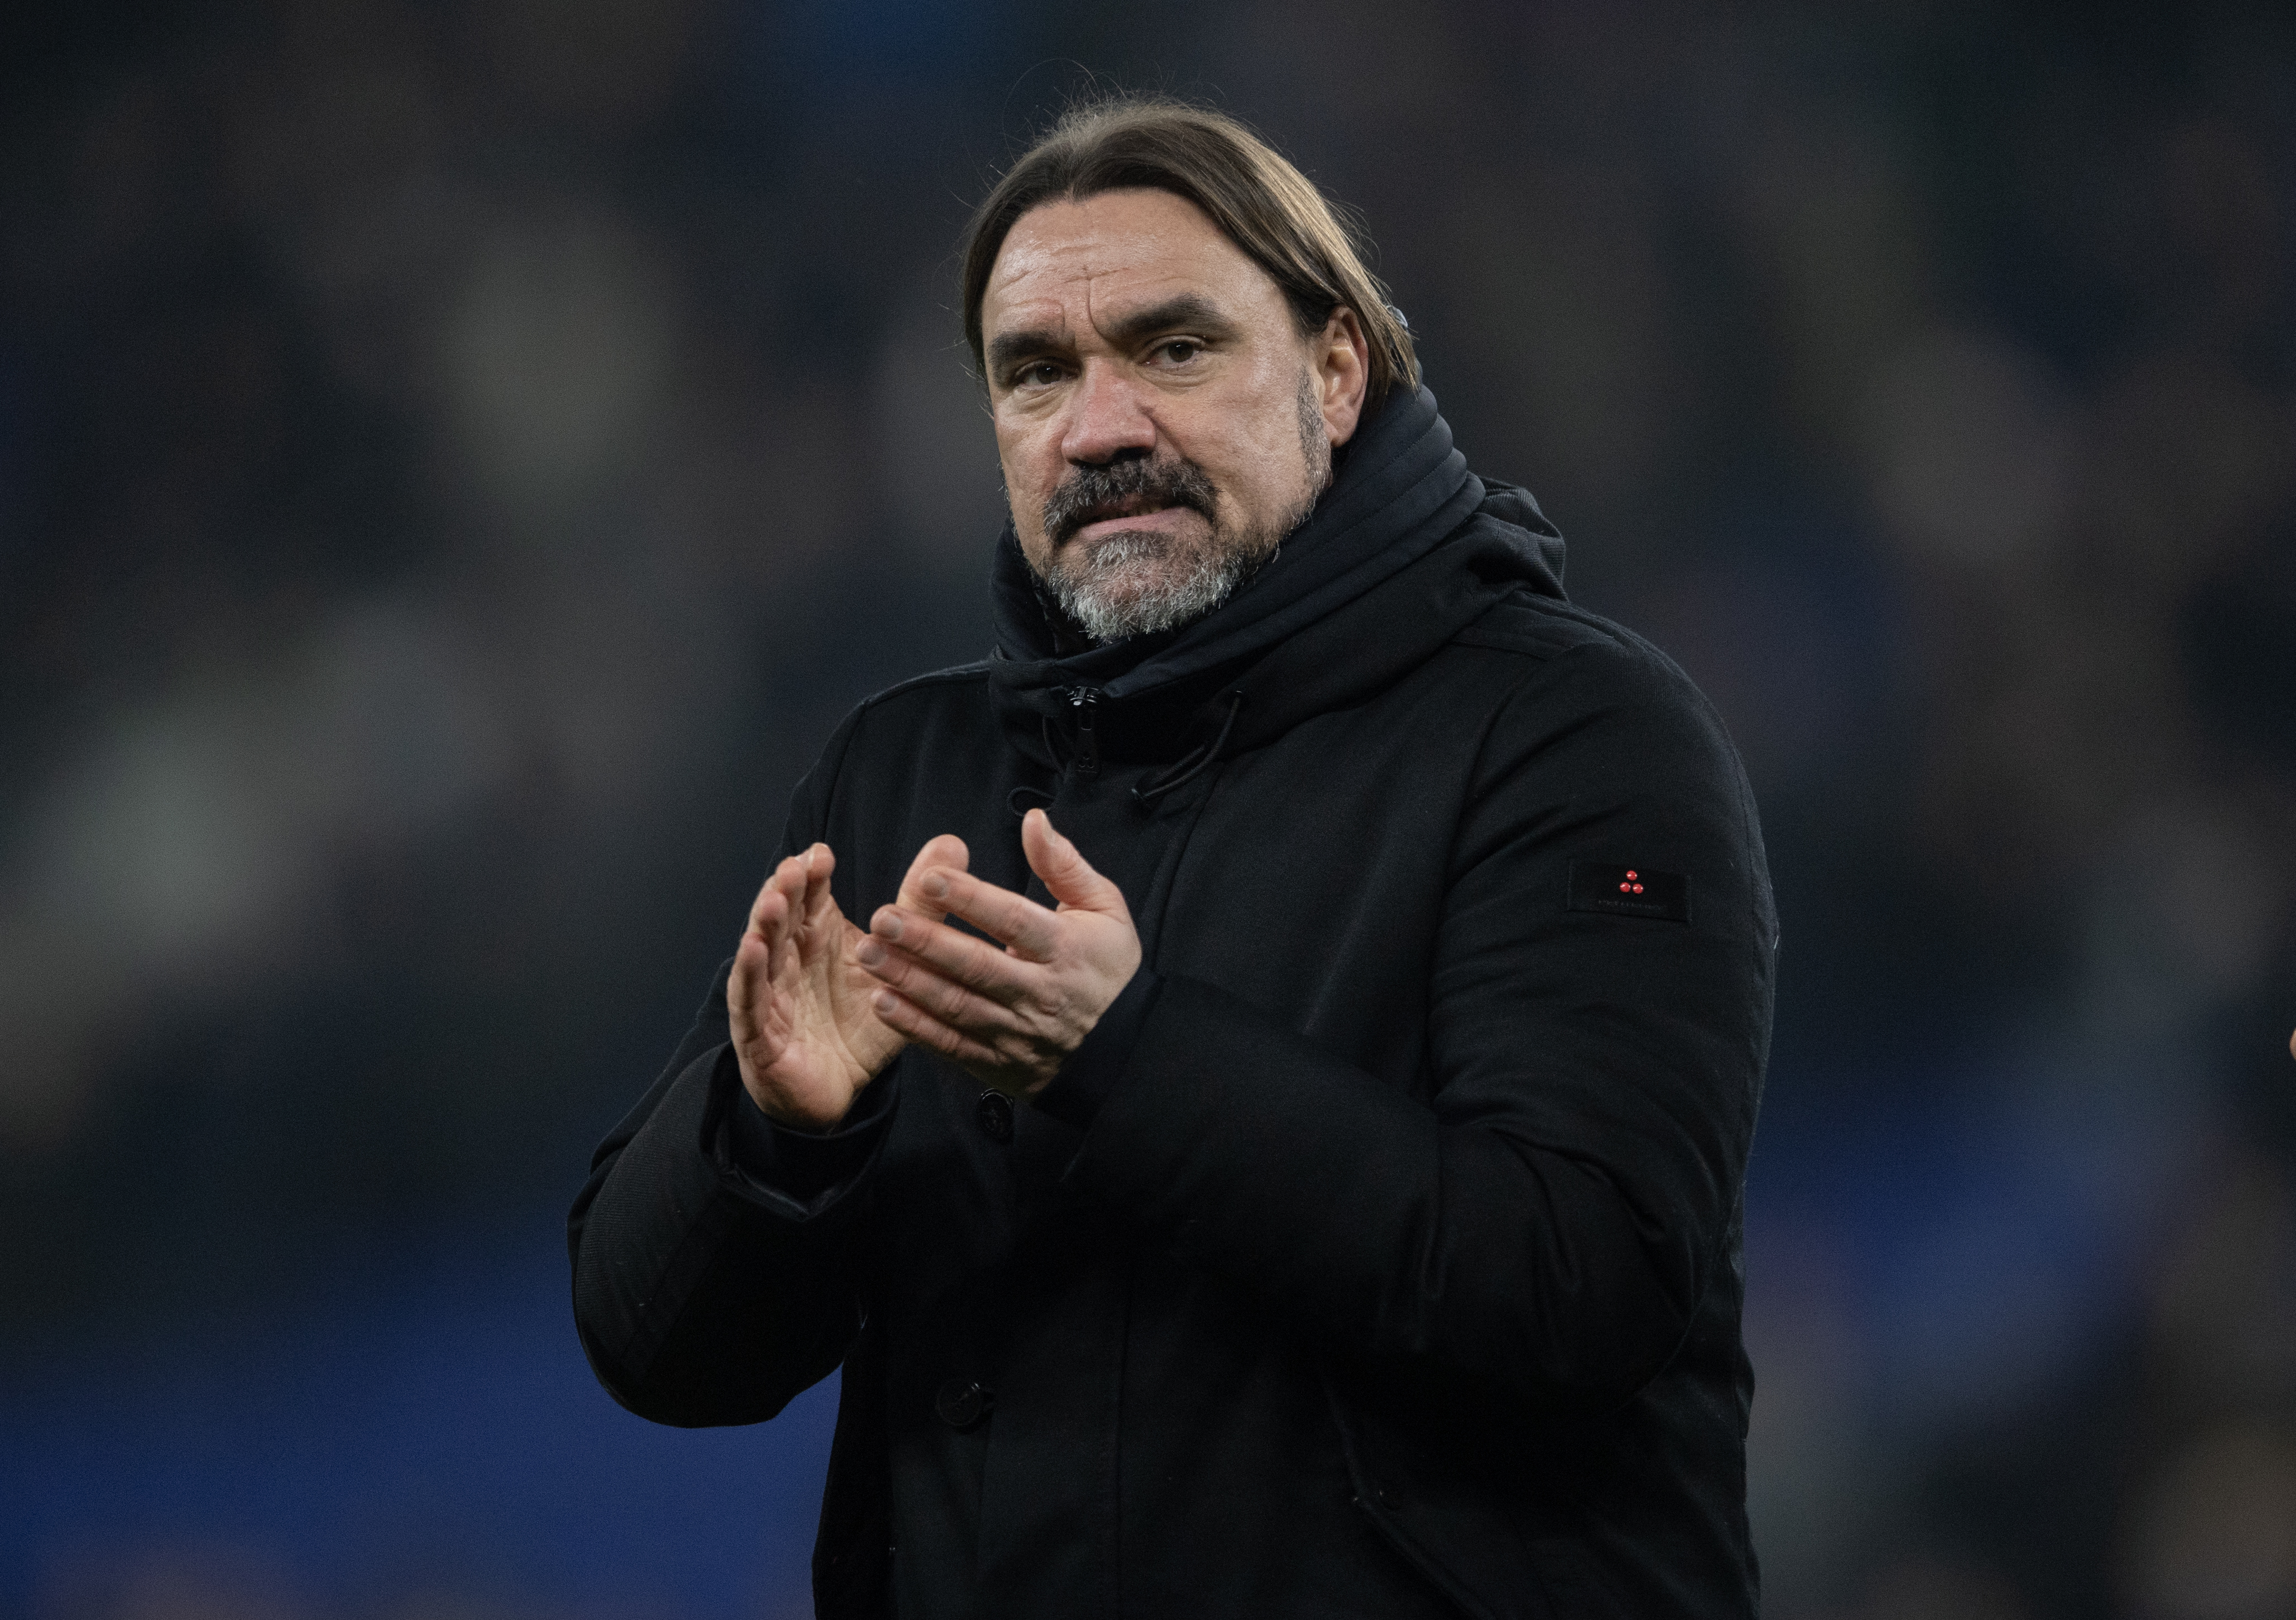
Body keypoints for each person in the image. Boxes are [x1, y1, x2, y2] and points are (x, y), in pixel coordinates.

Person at [570, 96, 1776, 1620]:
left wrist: (1123, 1061)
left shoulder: (1574, 733)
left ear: (1337, 371)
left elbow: (1585, 1286)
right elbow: (655, 1355)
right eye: (1036, 374)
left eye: (1175, 349)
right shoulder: (905, 777)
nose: (1101, 430)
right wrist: (774, 1140)